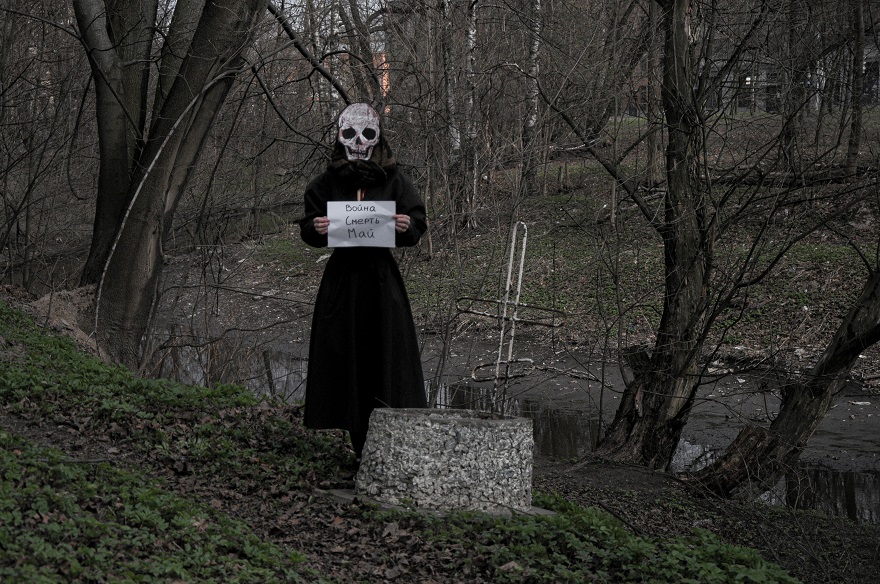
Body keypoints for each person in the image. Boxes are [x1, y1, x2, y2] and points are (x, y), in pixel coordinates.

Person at [299, 103, 428, 460]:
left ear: (378, 138)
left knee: (383, 357)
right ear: (340, 138)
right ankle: (358, 444)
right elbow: (309, 225)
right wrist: (315, 228)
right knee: (347, 359)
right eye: (350, 134)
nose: (358, 142)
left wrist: (407, 227)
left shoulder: (395, 180)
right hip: (343, 284)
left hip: (381, 284)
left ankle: (386, 444)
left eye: (367, 134)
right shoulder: (327, 182)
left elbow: (417, 223)